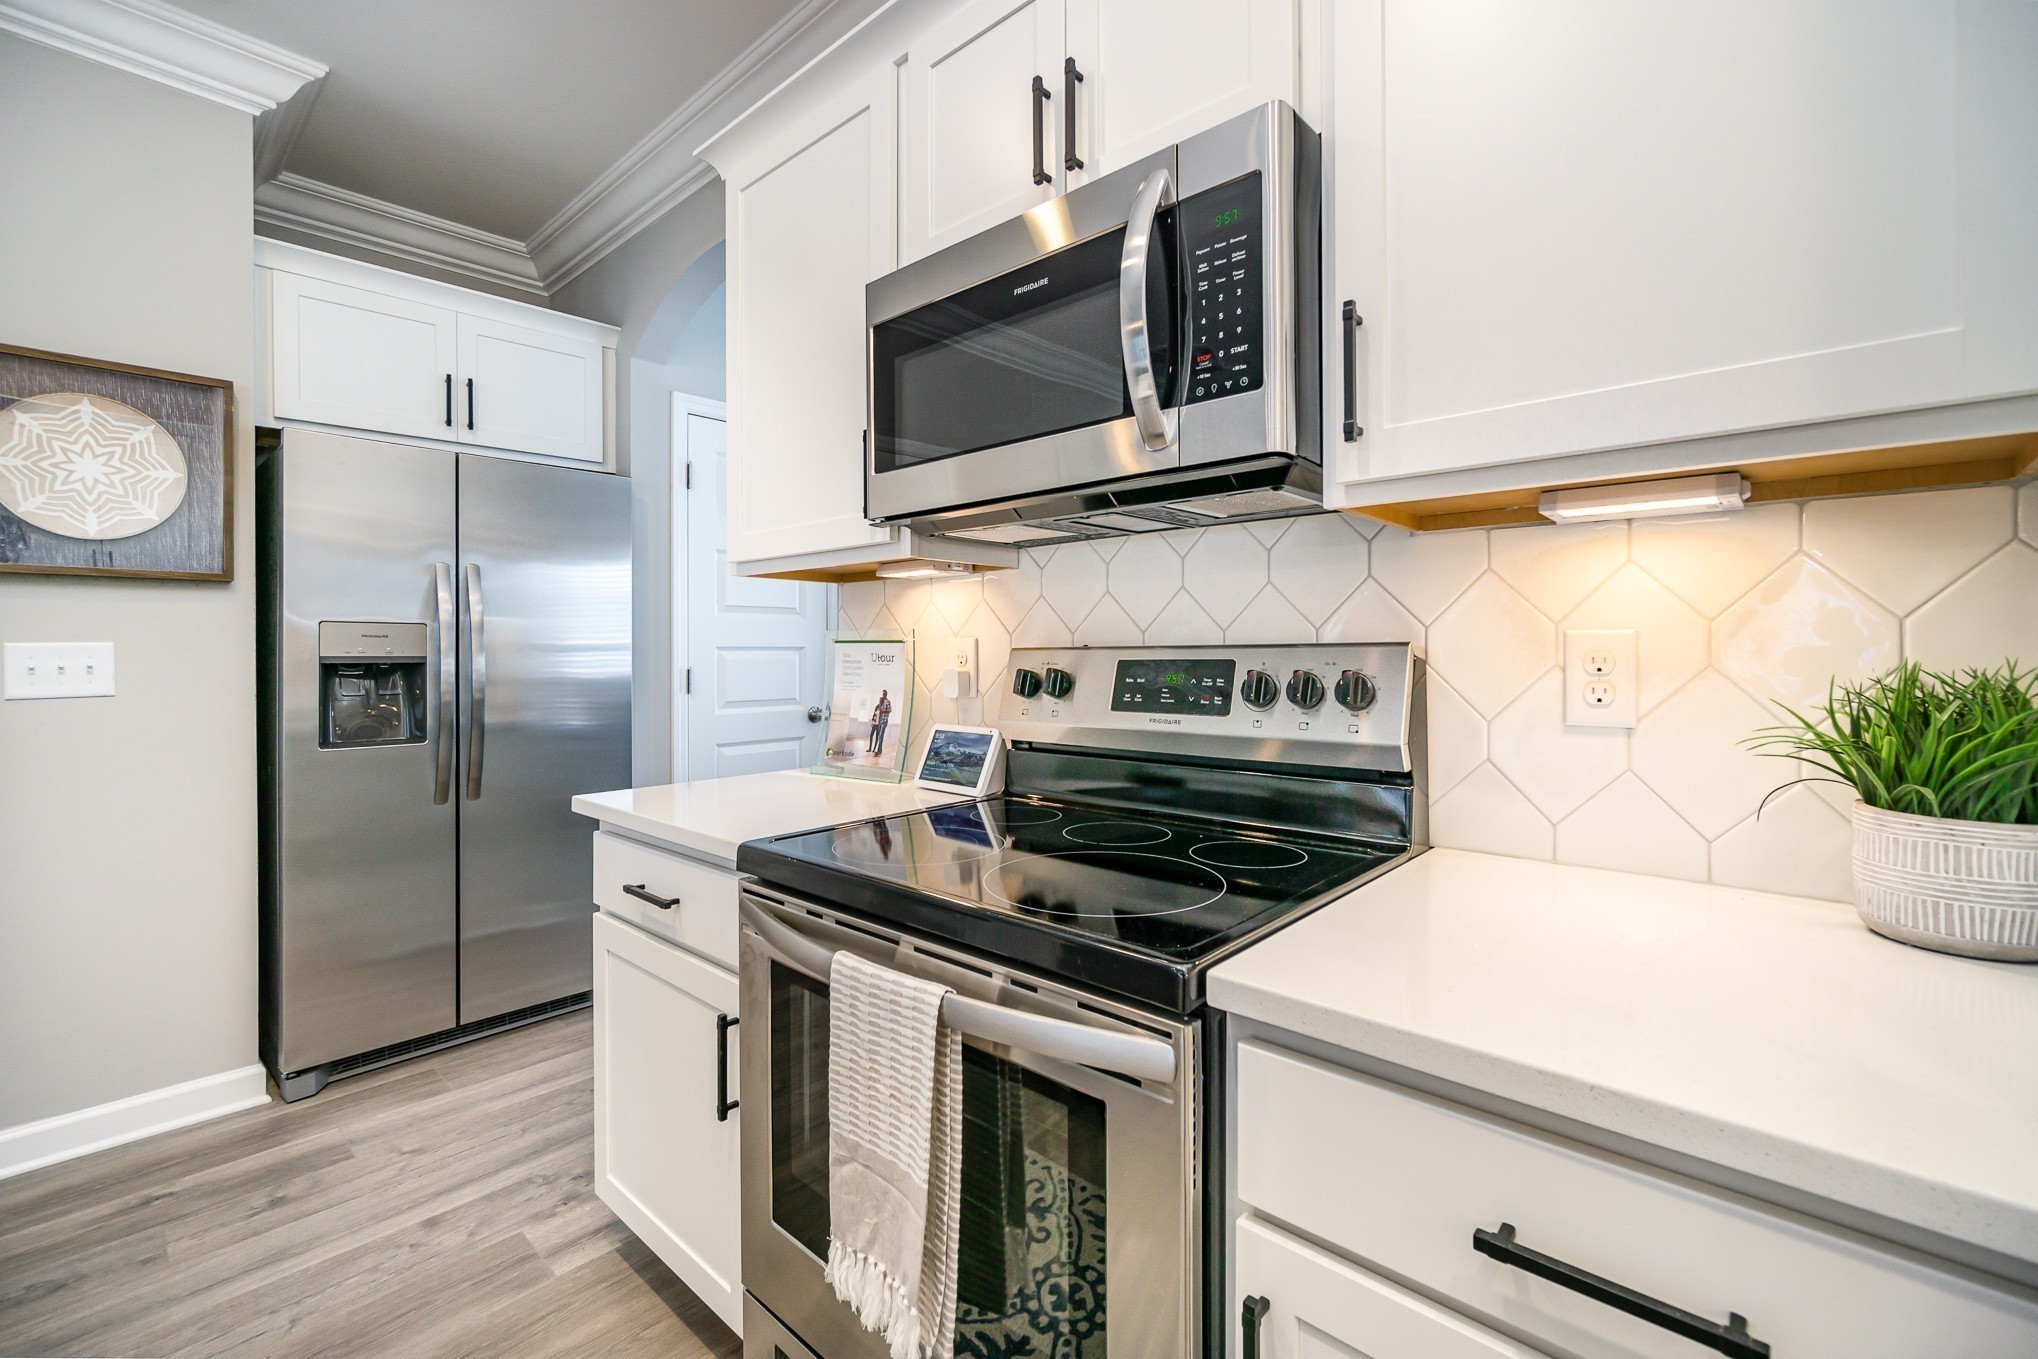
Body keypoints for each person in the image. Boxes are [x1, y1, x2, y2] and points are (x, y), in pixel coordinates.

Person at [867, 688, 892, 756]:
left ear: (886, 694)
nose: (883, 694)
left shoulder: (888, 701)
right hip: (879, 722)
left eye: (884, 693)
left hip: (884, 721)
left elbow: (890, 710)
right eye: (883, 693)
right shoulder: (880, 702)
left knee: (880, 736)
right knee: (879, 736)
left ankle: (878, 752)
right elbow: (876, 714)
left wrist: (882, 711)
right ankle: (879, 750)